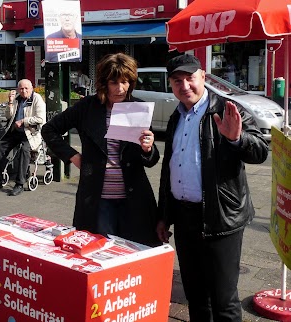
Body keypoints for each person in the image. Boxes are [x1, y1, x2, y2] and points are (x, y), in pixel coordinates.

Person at [156, 54, 269, 322]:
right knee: (196, 296)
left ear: (203, 77)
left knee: (224, 301)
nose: (184, 86)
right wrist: (164, 215)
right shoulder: (177, 116)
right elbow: (169, 169)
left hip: (221, 218)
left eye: (189, 78)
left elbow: (261, 152)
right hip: (184, 219)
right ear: (170, 85)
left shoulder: (229, 109)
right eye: (176, 81)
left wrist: (237, 139)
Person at [41, 53, 161, 247]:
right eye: (114, 82)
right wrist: (73, 156)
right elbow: (49, 129)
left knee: (131, 255)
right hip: (97, 199)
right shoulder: (87, 107)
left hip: (133, 199)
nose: (120, 88)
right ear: (104, 82)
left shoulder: (137, 107)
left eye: (125, 82)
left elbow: (152, 159)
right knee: (98, 252)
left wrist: (148, 148)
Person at [0, 79, 46, 196]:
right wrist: (10, 103)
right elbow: (8, 116)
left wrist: (24, 121)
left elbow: (41, 119)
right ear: (17, 89)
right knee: (0, 146)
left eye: (26, 88)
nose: (24, 91)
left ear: (31, 89)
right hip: (16, 132)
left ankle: (19, 183)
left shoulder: (37, 99)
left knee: (24, 150)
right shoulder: (17, 99)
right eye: (21, 88)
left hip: (31, 133)